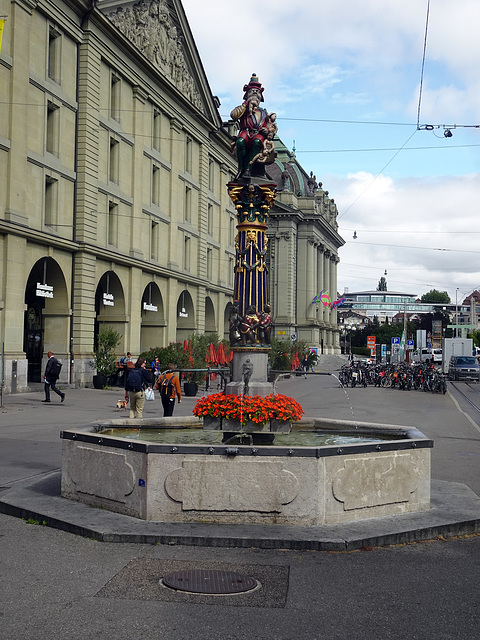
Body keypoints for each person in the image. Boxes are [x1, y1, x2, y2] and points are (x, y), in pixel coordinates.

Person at [230, 74, 271, 179]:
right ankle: (240, 169)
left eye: (257, 92)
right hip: (246, 131)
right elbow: (233, 115)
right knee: (240, 142)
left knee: (257, 142)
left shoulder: (263, 112)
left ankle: (248, 169)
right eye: (252, 91)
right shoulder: (244, 109)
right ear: (247, 94)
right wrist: (245, 104)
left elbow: (269, 126)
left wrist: (267, 131)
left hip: (258, 134)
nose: (255, 93)